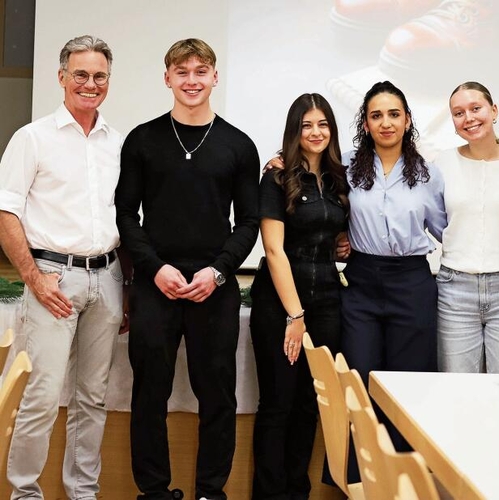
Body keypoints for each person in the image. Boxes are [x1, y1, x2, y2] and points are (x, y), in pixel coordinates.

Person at [115, 38, 259, 500]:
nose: (192, 81)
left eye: (201, 71)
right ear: (167, 78)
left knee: (218, 398)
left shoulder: (238, 144)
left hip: (213, 287)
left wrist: (218, 272)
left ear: (215, 77)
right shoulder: (142, 139)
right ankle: (154, 492)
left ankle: (210, 493)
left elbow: (250, 221)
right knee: (149, 396)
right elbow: (125, 215)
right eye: (182, 72)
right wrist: (154, 268)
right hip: (155, 285)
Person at [0, 35, 125, 499]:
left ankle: (82, 492)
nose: (89, 84)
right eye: (80, 75)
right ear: (61, 78)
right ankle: (25, 493)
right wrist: (33, 277)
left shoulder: (118, 142)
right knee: (42, 395)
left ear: (108, 81)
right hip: (52, 277)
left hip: (108, 278)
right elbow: (6, 212)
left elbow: (125, 216)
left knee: (93, 398)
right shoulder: (32, 138)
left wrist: (125, 283)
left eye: (99, 76)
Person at [250, 93, 348, 500]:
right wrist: (294, 316)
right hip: (280, 305)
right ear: (295, 130)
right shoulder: (276, 177)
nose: (316, 132)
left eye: (323, 124)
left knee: (311, 405)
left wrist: (345, 244)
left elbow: (338, 232)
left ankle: (296, 493)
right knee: (278, 405)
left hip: (327, 301)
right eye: (307, 125)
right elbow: (274, 250)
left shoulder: (339, 178)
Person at [341, 80, 445, 387]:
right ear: (366, 123)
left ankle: (400, 439)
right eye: (376, 116)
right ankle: (362, 438)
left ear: (407, 120)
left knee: (408, 385)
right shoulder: (344, 165)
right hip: (361, 283)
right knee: (359, 380)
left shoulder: (428, 173)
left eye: (394, 114)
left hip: (411, 284)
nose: (386, 123)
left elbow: (446, 230)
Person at [435, 81, 499, 374]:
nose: (469, 118)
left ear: (494, 110)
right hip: (455, 290)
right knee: (457, 391)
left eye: (476, 108)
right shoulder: (441, 163)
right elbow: (429, 217)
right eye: (458, 113)